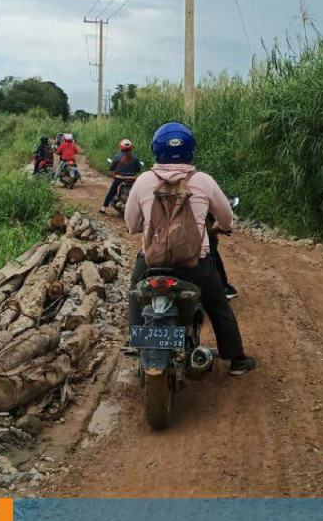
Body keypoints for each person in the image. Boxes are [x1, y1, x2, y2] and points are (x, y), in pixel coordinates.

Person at [124, 122, 257, 375]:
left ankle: (136, 340)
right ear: (191, 150)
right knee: (218, 306)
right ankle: (236, 359)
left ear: (156, 149)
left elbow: (131, 224)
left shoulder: (143, 181)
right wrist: (222, 226)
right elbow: (226, 218)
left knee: (135, 293)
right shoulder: (203, 181)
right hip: (196, 263)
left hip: (152, 262)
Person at [100, 138, 143, 214]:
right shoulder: (135, 157)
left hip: (120, 178)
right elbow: (138, 169)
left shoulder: (117, 156)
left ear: (121, 146)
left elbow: (112, 167)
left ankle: (103, 208)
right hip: (132, 179)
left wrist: (109, 169)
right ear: (130, 146)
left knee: (111, 192)